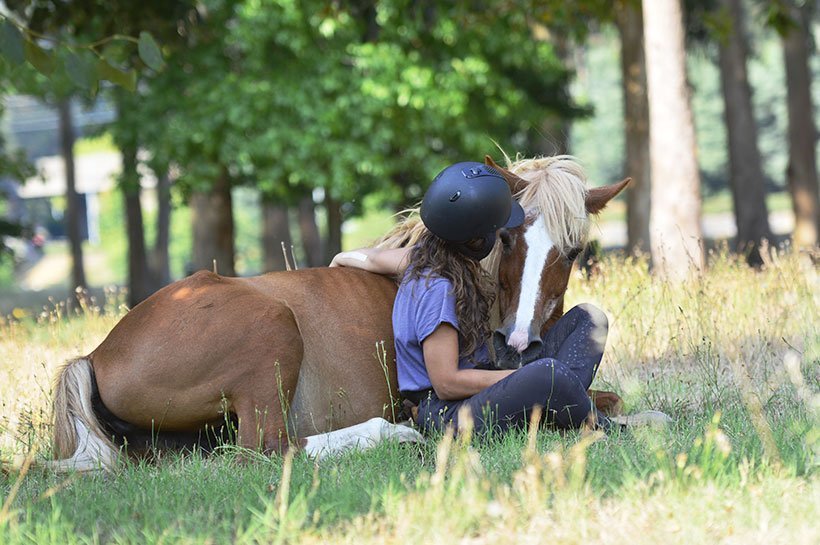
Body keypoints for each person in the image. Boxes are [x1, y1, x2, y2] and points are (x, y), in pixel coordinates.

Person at [331, 162, 649, 435]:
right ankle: (603, 426)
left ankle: (552, 407)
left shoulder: (425, 257)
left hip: (473, 399)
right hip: (449, 417)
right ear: (472, 238)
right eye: (493, 230)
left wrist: (342, 257)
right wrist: (521, 378)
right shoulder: (437, 288)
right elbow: (445, 383)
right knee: (549, 373)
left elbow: (374, 259)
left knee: (589, 320)